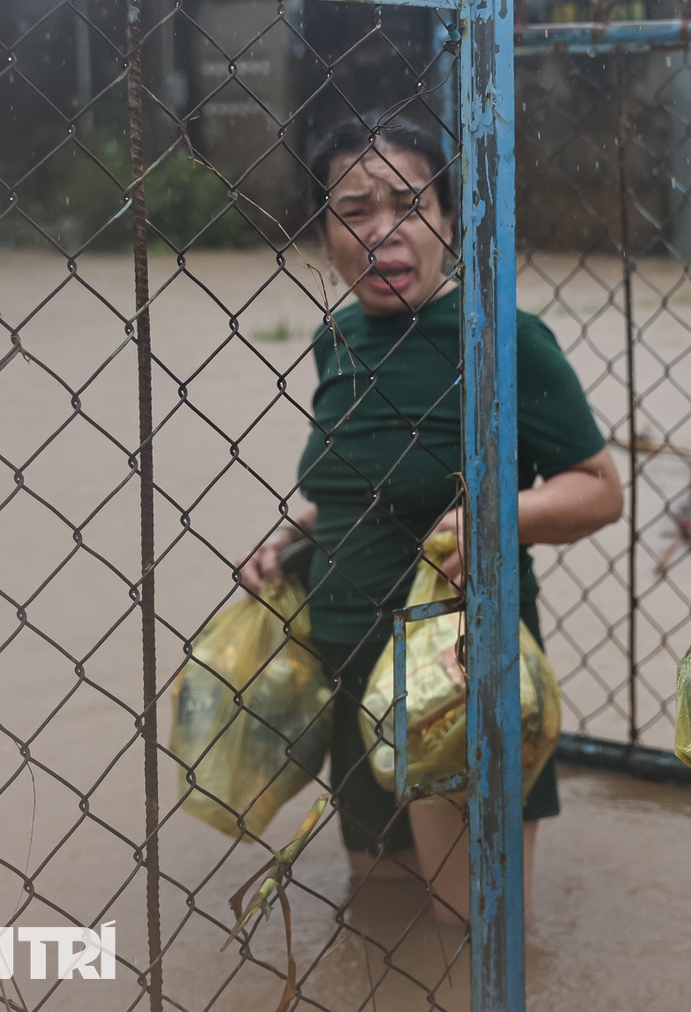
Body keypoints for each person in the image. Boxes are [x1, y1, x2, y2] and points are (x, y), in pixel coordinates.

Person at [236, 118, 622, 919]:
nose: (381, 231)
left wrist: (496, 519)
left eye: (407, 203)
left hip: (455, 682)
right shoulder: (335, 341)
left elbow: (597, 489)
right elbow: (355, 487)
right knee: (378, 914)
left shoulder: (504, 338)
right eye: (353, 209)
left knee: (469, 934)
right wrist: (290, 539)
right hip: (352, 680)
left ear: (449, 218)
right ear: (322, 233)